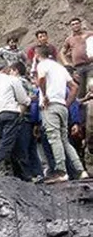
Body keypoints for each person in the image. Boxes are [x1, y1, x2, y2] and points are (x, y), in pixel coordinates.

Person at [34, 45, 88, 183]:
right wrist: (67, 103)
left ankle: (61, 171)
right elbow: (74, 87)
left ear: (38, 54)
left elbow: (41, 79)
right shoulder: (60, 67)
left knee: (54, 138)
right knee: (64, 139)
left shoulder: (42, 65)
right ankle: (80, 170)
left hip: (50, 106)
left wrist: (45, 95)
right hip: (62, 106)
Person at [62, 17, 93, 98]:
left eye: (77, 23)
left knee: (91, 86)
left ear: (80, 24)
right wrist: (67, 64)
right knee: (80, 92)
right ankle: (83, 109)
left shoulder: (90, 34)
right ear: (71, 27)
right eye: (73, 24)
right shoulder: (69, 39)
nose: (75, 25)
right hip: (78, 68)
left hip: (91, 65)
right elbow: (62, 52)